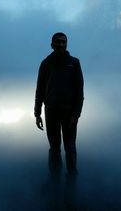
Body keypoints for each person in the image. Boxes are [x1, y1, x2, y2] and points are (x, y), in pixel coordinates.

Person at [34, 32, 84, 176]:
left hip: (69, 113)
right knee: (54, 148)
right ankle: (55, 177)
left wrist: (76, 114)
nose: (61, 44)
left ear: (66, 44)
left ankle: (72, 176)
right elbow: (40, 89)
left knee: (70, 147)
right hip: (51, 112)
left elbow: (79, 91)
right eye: (57, 42)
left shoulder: (74, 63)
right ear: (52, 45)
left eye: (63, 42)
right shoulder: (45, 63)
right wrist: (37, 113)